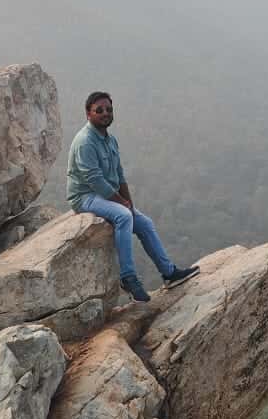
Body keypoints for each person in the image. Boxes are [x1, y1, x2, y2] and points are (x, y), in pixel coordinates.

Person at [67, 91, 199, 302]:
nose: (105, 113)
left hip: (106, 195)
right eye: (99, 110)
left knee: (143, 222)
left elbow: (119, 176)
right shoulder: (85, 141)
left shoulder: (110, 140)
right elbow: (94, 181)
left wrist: (129, 203)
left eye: (108, 109)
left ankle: (169, 273)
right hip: (85, 196)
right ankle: (128, 278)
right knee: (123, 216)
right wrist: (122, 205)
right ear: (88, 113)